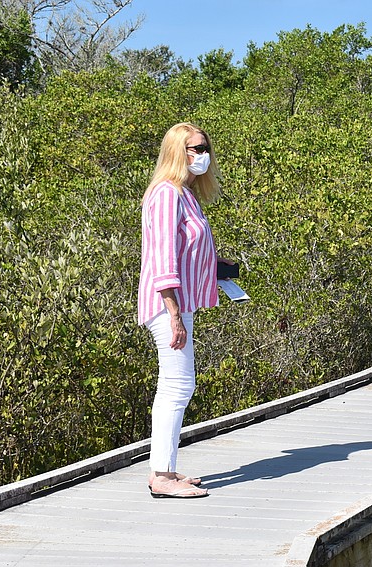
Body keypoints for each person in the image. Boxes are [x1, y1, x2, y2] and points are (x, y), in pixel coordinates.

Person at [138, 122, 231, 498]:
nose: (202, 155)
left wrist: (216, 264)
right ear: (178, 152)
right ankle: (161, 475)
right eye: (195, 149)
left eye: (205, 148)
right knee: (176, 385)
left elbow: (185, 248)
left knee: (177, 384)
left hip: (180, 303)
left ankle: (165, 469)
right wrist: (174, 315)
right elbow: (162, 258)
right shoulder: (166, 194)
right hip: (167, 305)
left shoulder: (186, 195)